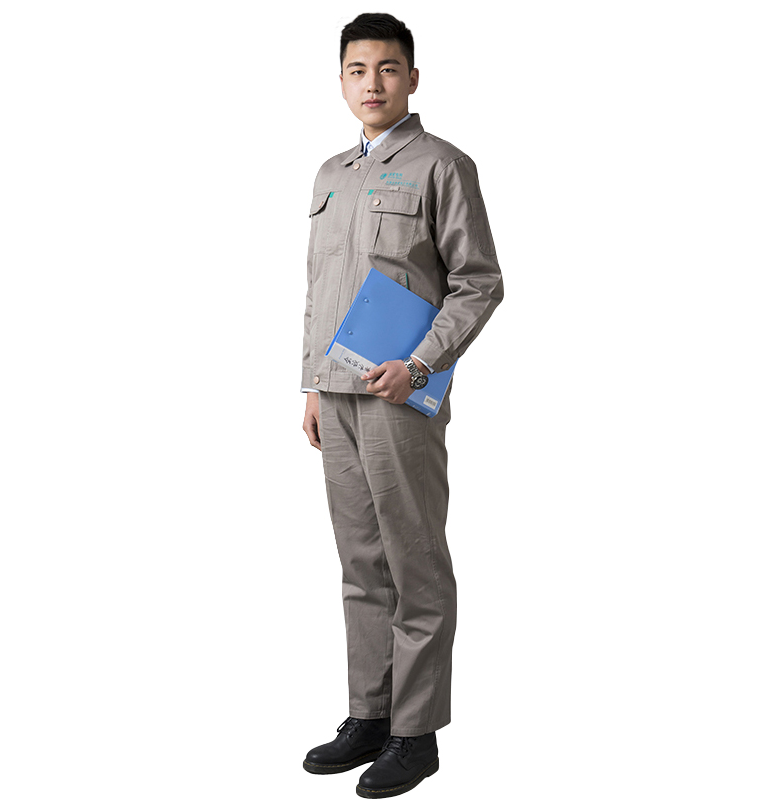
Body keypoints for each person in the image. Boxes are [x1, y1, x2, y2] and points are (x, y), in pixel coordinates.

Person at [300, 12, 503, 797]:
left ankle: (415, 733)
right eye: (358, 70)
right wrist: (311, 385)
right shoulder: (329, 174)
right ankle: (370, 713)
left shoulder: (442, 165)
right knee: (360, 563)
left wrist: (420, 366)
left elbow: (478, 282)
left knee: (413, 560)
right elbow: (317, 289)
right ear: (341, 81)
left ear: (412, 78)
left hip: (401, 397)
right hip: (339, 396)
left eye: (388, 68)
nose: (373, 83)